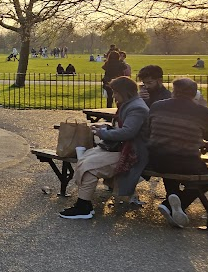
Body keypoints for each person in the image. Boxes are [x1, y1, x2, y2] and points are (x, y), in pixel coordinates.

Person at [59, 77, 149, 219]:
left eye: (115, 92)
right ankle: (84, 205)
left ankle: (83, 207)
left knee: (89, 166)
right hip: (122, 148)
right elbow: (124, 128)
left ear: (124, 92)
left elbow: (128, 132)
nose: (113, 96)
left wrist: (103, 133)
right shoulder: (130, 104)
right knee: (86, 158)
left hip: (132, 152)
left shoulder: (137, 108)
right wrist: (106, 127)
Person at [146, 78, 208, 228]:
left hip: (156, 160)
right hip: (186, 162)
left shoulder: (157, 106)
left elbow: (149, 129)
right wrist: (204, 110)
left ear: (174, 91)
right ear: (194, 94)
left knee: (168, 157)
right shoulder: (203, 112)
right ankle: (175, 202)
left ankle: (173, 198)